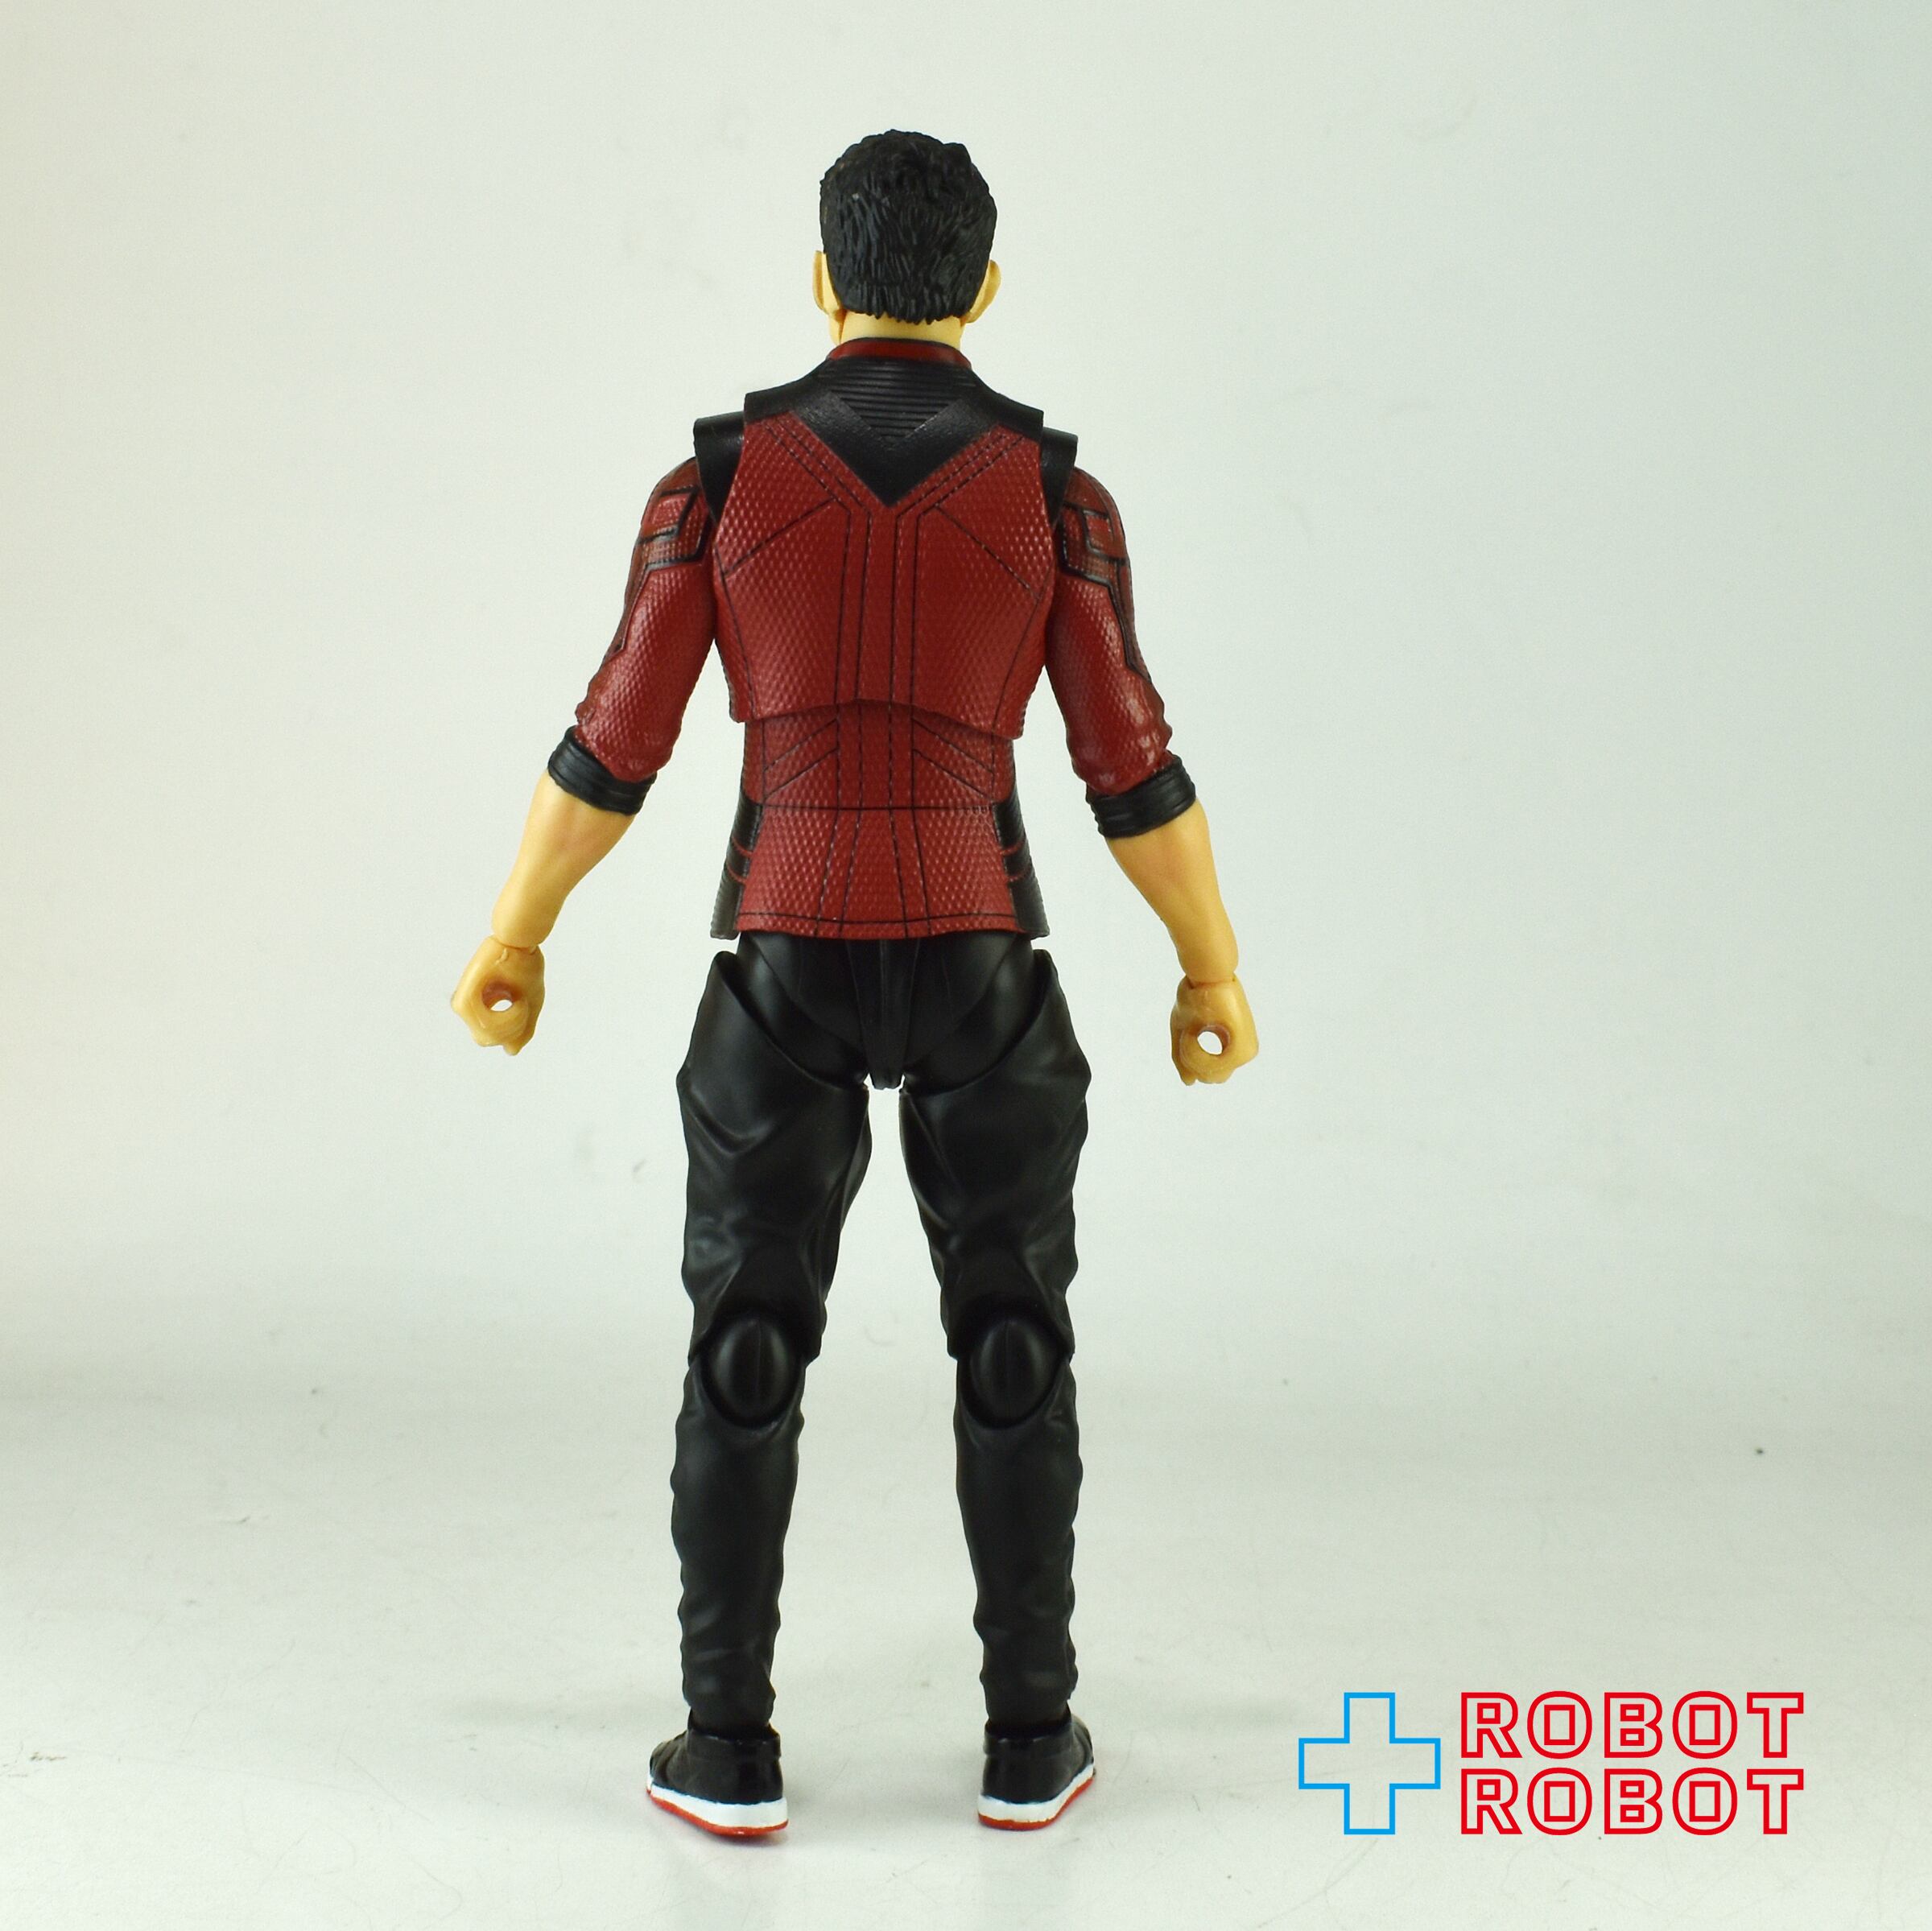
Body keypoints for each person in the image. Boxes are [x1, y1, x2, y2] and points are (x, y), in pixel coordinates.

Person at [452, 129, 1257, 1837]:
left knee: (745, 1345)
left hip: (784, 960)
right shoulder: (1057, 499)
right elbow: (1133, 765)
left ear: (824, 279)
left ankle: (726, 1746)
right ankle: (1031, 1740)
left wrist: (519, 929)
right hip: (983, 959)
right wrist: (1212, 963)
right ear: (983, 288)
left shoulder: (715, 487)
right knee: (1015, 1344)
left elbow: (614, 741)